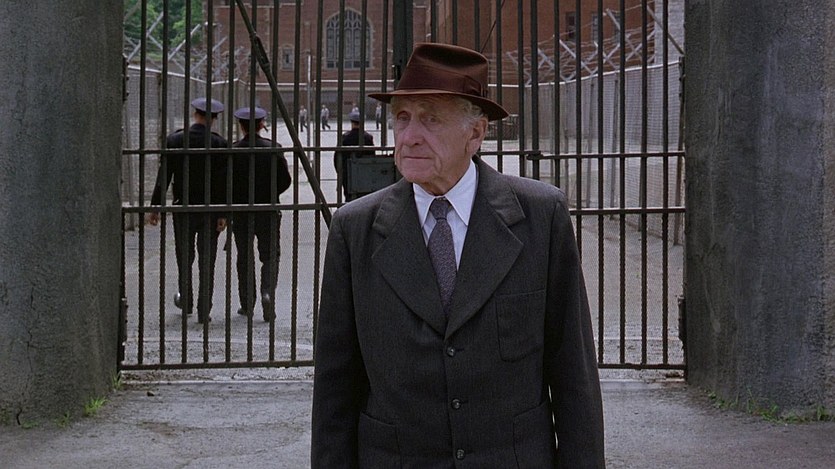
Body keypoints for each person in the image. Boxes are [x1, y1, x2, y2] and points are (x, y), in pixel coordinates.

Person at [311, 43, 605, 467]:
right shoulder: (355, 228)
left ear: (476, 134)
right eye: (402, 117)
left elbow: (573, 373)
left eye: (431, 118)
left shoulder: (541, 216)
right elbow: (335, 387)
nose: (410, 136)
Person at [149, 97, 228, 324]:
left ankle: (187, 301)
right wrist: (224, 213)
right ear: (214, 119)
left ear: (195, 114)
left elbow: (164, 176)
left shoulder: (175, 140)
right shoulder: (219, 144)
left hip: (183, 207)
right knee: (207, 260)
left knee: (184, 257)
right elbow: (224, 182)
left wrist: (155, 207)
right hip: (210, 209)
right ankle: (204, 310)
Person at [230, 106, 292, 322]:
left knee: (244, 256)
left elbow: (227, 181)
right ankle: (267, 293)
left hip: (241, 211)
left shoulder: (234, 150)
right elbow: (286, 180)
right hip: (268, 208)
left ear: (241, 126)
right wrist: (271, 193)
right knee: (270, 255)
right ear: (261, 124)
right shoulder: (273, 148)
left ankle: (247, 303)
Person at [333, 109, 374, 201]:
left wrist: (340, 172)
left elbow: (337, 158)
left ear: (352, 122)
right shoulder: (368, 138)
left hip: (347, 173)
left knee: (349, 199)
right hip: (364, 174)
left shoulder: (345, 138)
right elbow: (372, 157)